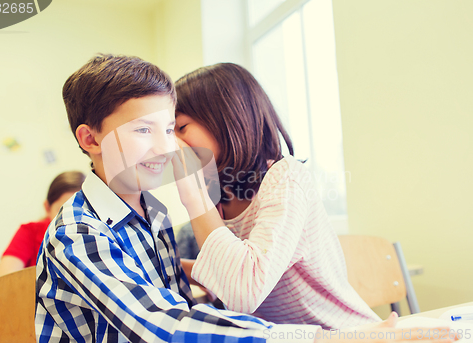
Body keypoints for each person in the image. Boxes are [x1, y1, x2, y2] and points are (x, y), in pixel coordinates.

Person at [35, 54, 455, 343]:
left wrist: (194, 212)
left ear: (225, 120)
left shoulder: (162, 210)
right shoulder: (81, 230)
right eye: (148, 130)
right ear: (90, 140)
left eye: (173, 128)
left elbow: (189, 295)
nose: (168, 148)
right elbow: (164, 322)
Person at [174, 63, 379, 328]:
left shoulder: (286, 179)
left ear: (226, 120)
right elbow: (228, 274)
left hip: (346, 333)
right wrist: (175, 267)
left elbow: (244, 291)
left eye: (181, 128)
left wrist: (193, 193)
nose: (173, 143)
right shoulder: (219, 198)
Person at [0, 171, 85, 278]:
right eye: (63, 211)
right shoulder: (29, 232)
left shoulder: (99, 234)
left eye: (80, 212)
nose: (72, 219)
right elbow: (4, 280)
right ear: (47, 208)